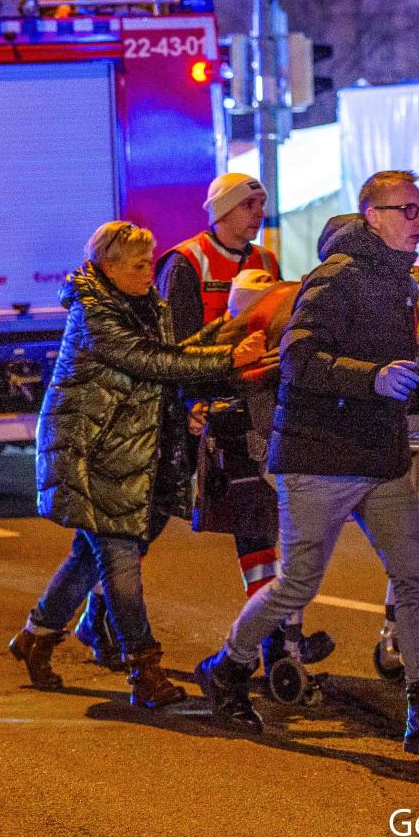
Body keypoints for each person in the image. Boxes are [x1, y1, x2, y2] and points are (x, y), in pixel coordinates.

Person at [195, 170, 419, 757]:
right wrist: (373, 378)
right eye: (408, 210)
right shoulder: (336, 279)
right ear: (373, 215)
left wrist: (416, 384)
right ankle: (227, 667)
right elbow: (299, 360)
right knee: (298, 582)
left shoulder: (400, 281)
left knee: (415, 579)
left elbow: (390, 358)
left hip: (379, 455)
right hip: (318, 455)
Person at [8, 221, 266, 708]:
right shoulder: (94, 314)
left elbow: (173, 352)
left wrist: (225, 335)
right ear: (109, 268)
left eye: (149, 262)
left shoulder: (144, 304)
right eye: (139, 265)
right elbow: (152, 362)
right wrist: (229, 358)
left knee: (89, 556)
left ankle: (35, 637)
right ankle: (143, 672)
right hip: (91, 452)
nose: (151, 271)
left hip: (123, 450)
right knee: (121, 562)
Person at [154, 172, 334, 675]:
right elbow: (177, 346)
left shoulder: (267, 263)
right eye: (251, 204)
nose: (260, 213)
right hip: (199, 411)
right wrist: (190, 403)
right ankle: (101, 609)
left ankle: (277, 637)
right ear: (224, 211)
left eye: (261, 203)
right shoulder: (186, 263)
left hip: (247, 410)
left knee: (257, 517)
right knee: (142, 524)